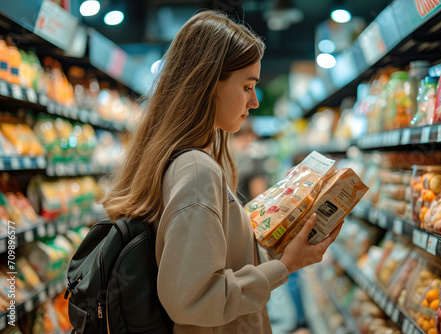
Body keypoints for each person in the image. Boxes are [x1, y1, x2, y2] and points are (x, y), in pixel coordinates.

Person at [101, 10, 343, 334]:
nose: (255, 101)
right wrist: (284, 266)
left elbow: (207, 261)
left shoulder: (182, 158)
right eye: (247, 86)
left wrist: (278, 241)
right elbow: (193, 298)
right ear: (209, 84)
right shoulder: (197, 171)